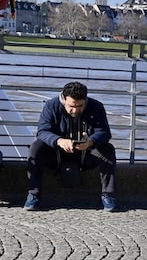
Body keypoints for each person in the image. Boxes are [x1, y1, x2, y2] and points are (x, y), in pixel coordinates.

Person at [25, 81, 118, 212]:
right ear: (63, 99)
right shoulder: (51, 106)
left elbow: (104, 133)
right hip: (56, 154)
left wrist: (90, 142)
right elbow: (42, 131)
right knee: (36, 147)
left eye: (80, 106)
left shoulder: (96, 106)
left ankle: (108, 195)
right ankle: (33, 194)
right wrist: (59, 141)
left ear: (85, 100)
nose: (75, 110)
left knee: (108, 149)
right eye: (71, 106)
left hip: (86, 154)